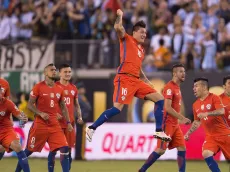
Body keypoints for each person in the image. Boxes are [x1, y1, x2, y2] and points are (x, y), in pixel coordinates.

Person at [86, 9, 171, 142]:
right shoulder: (126, 39)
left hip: (136, 81)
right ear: (134, 32)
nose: (144, 34)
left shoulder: (141, 50)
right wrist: (119, 15)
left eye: (145, 32)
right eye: (141, 32)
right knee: (117, 108)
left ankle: (159, 131)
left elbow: (138, 68)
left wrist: (146, 81)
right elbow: (117, 27)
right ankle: (92, 127)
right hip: (124, 78)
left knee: (160, 99)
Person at [15, 64, 73, 172]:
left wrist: (68, 122)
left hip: (54, 125)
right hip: (40, 124)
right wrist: (40, 113)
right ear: (45, 73)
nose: (54, 71)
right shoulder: (38, 87)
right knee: (28, 151)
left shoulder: (59, 89)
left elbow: (63, 108)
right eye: (52, 70)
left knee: (64, 147)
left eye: (55, 70)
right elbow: (30, 105)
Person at [139, 64, 191, 172]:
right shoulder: (169, 87)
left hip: (175, 124)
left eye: (184, 71)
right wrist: (182, 118)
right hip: (167, 124)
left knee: (182, 148)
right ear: (174, 73)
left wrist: (178, 120)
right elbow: (167, 107)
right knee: (161, 150)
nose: (183, 74)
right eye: (181, 71)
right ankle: (142, 170)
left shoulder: (177, 87)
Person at [184, 77, 230, 172]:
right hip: (211, 137)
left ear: (204, 87)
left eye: (196, 86)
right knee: (206, 153)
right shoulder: (195, 104)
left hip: (224, 135)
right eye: (193, 87)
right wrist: (189, 132)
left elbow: (221, 111)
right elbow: (197, 121)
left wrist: (207, 113)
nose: (194, 89)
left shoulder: (214, 98)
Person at [48, 64, 83, 172]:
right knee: (54, 150)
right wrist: (53, 113)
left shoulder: (73, 88)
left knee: (68, 151)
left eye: (69, 72)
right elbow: (47, 104)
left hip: (69, 125)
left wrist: (79, 116)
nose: (68, 74)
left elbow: (76, 104)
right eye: (65, 72)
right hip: (56, 124)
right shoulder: (53, 87)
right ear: (59, 73)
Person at [0, 84, 30, 172]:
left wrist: (23, 118)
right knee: (1, 149)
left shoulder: (7, 103)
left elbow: (19, 114)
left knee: (17, 146)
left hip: (6, 130)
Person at [0, 78, 12, 160]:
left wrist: (10, 118)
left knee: (3, 146)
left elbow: (8, 102)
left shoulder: (5, 83)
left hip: (2, 119)